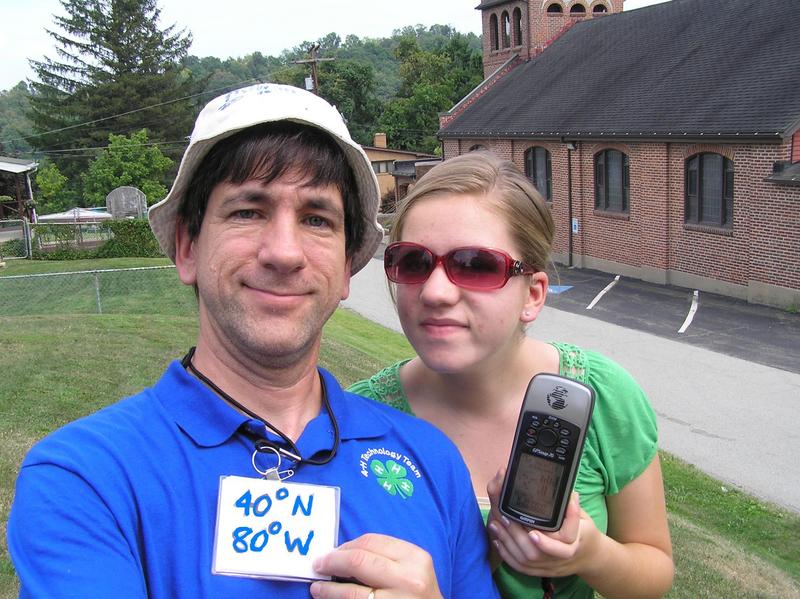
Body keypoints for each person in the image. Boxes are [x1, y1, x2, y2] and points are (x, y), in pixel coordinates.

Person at [7, 84, 500, 599]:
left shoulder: (429, 461)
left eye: (316, 219)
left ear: (347, 268)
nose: (284, 252)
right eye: (248, 211)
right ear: (186, 248)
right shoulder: (85, 480)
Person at [349, 152, 674, 599]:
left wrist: (591, 555)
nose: (435, 291)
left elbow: (653, 569)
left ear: (534, 294)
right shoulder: (358, 424)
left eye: (476, 265)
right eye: (413, 262)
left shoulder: (602, 397)